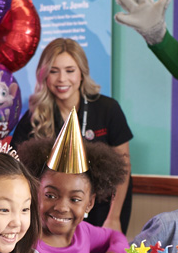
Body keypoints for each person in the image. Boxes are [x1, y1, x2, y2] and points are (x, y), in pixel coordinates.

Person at [11, 38, 134, 234]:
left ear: (82, 73)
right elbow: (18, 173)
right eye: (54, 71)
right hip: (54, 213)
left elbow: (124, 168)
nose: (62, 79)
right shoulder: (33, 117)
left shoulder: (108, 109)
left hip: (103, 210)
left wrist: (114, 217)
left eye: (70, 70)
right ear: (44, 75)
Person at [18, 137, 129, 253]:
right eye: (51, 195)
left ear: (89, 203)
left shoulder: (82, 232)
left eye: (75, 199)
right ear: (36, 192)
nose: (61, 207)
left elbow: (116, 237)